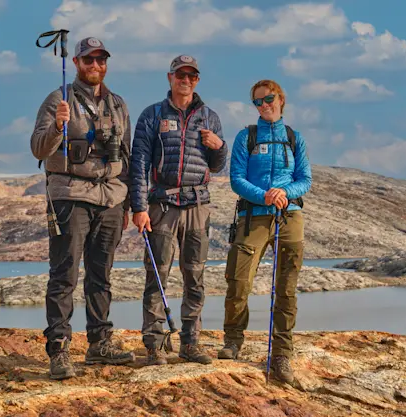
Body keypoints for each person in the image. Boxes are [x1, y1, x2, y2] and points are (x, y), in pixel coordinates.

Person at [30, 36, 135, 380]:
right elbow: (38, 149)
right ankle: (59, 349)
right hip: (70, 196)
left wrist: (131, 202)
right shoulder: (58, 100)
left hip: (111, 199)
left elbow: (129, 156)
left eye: (100, 60)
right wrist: (59, 126)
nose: (95, 66)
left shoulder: (118, 103)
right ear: (76, 63)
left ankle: (99, 342)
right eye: (88, 60)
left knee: (101, 275)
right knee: (64, 275)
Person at [130, 54, 229, 366]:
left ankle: (190, 341)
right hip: (162, 206)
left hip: (197, 206)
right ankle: (155, 344)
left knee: (195, 276)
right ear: (170, 77)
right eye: (180, 75)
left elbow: (217, 165)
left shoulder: (209, 116)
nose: (186, 80)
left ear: (197, 80)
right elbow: (139, 163)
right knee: (157, 275)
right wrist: (139, 206)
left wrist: (219, 146)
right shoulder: (153, 114)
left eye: (191, 76)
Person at [218, 79, 312, 384]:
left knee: (286, 288)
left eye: (268, 99)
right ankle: (233, 340)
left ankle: (282, 353)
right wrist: (264, 195)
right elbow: (236, 179)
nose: (263, 106)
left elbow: (305, 179)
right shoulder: (247, 136)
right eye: (257, 102)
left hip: (289, 216)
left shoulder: (295, 138)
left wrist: (283, 192)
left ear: (281, 99)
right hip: (253, 217)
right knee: (239, 281)